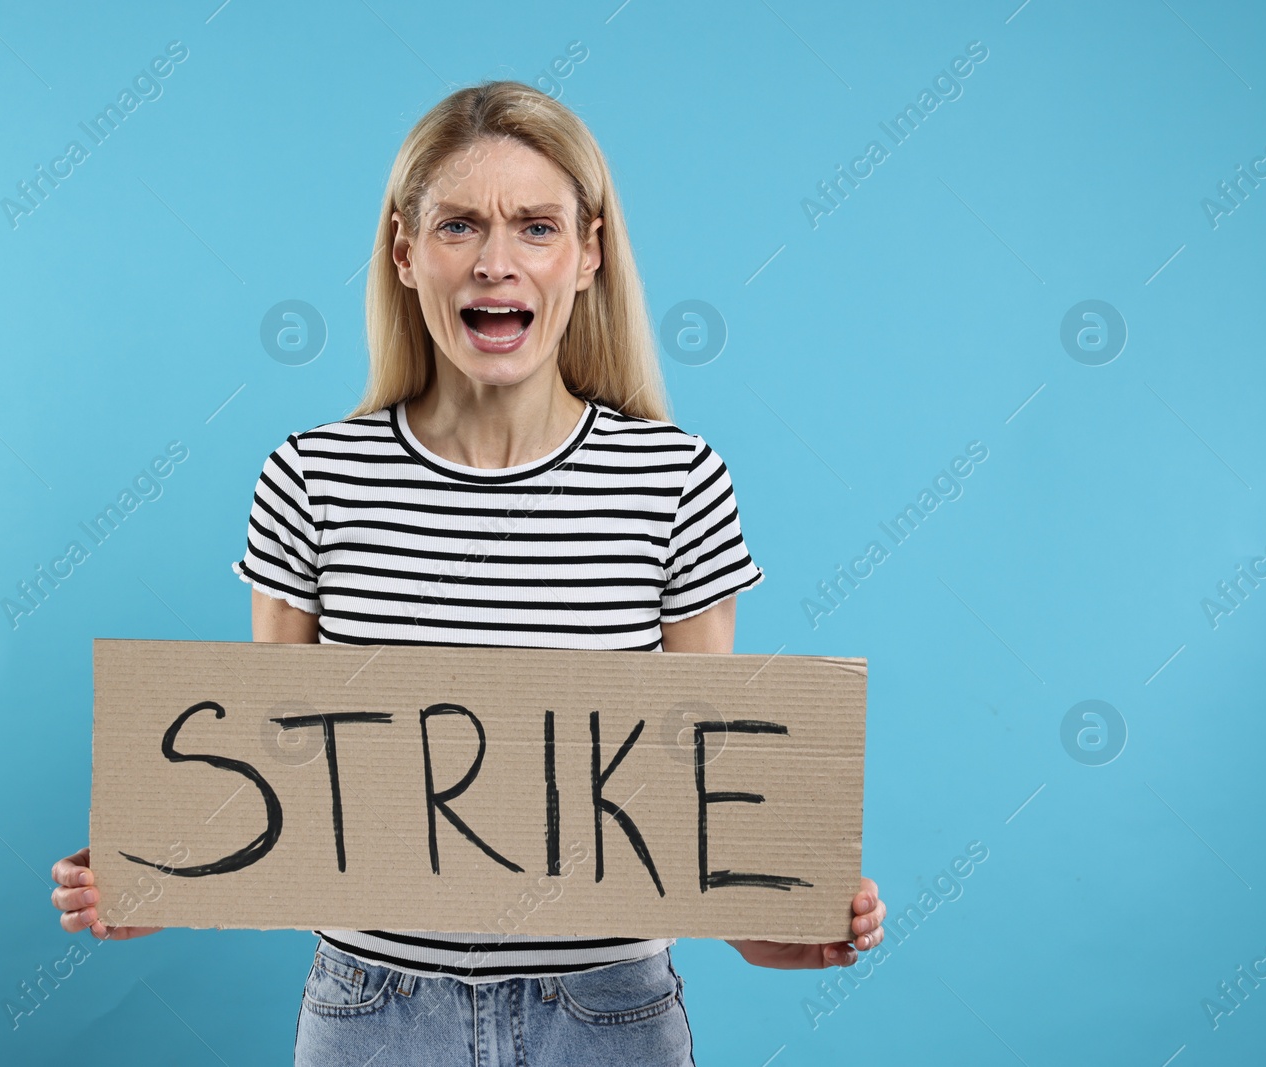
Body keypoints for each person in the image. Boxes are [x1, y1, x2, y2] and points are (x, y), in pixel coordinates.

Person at [51, 79, 885, 1065]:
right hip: (372, 1010)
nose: (495, 261)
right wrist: (165, 880)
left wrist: (779, 924)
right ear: (405, 252)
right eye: (457, 226)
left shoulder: (676, 481)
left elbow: (688, 795)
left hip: (607, 1010)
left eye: (535, 226)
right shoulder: (310, 480)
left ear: (588, 253)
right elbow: (276, 785)